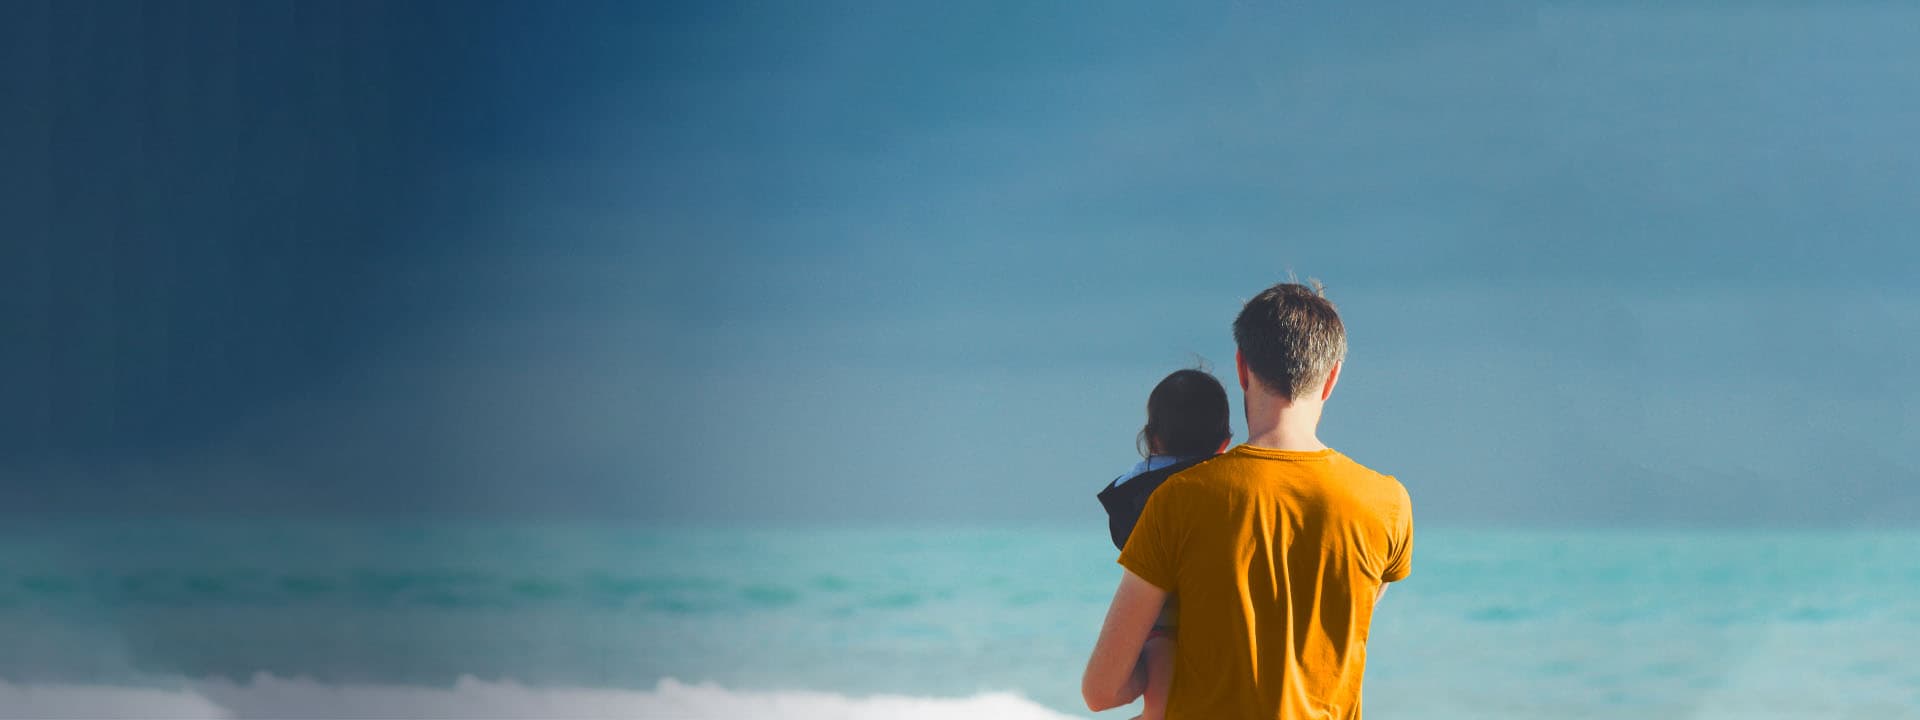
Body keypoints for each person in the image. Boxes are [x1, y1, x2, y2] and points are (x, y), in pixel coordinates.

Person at [1082, 281, 1414, 719]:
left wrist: (1158, 660)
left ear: (1242, 368)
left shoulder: (1178, 499)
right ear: (1331, 377)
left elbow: (1101, 691)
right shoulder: (1387, 504)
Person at [1094, 368, 1233, 720]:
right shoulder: (1229, 482)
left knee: (1160, 655)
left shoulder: (1139, 485)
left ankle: (1154, 714)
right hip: (1220, 603)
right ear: (1224, 442)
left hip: (1161, 603)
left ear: (1153, 439)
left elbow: (1123, 535)